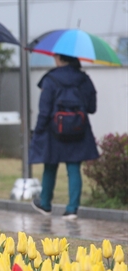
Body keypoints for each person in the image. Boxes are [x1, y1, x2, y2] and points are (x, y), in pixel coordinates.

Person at [30, 54, 99, 220]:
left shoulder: (50, 79)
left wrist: (38, 131)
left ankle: (45, 204)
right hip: (78, 130)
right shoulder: (84, 79)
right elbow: (91, 108)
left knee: (50, 165)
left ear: (59, 58)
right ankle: (72, 209)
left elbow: (44, 110)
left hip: (53, 131)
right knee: (74, 168)